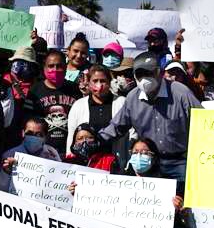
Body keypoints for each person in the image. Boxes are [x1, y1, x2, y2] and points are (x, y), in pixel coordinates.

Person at [100, 51, 201, 191]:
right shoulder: (133, 98)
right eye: (140, 74)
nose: (144, 78)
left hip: (179, 162)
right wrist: (97, 139)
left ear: (160, 72)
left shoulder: (181, 93)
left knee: (181, 199)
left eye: (149, 73)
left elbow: (203, 123)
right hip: (148, 161)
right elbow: (117, 126)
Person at [28, 50, 81, 158]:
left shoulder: (75, 89)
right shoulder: (35, 90)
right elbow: (28, 120)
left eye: (59, 66)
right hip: (41, 151)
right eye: (51, 66)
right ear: (44, 68)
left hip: (69, 150)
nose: (55, 70)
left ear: (65, 67)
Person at [65, 64, 124, 155]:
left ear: (109, 82)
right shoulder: (78, 105)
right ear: (89, 83)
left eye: (103, 81)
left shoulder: (122, 103)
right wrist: (70, 157)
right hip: (87, 160)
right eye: (95, 81)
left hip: (116, 157)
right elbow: (72, 135)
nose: (99, 85)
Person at [0, 117, 61, 193]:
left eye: (38, 134)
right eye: (29, 133)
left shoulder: (52, 154)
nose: (33, 137)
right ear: (23, 133)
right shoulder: (10, 155)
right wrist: (7, 172)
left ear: (45, 137)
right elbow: (2, 189)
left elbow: (58, 182)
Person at [2, 45, 39, 143]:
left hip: (22, 138)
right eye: (19, 61)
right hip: (1, 134)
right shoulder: (2, 81)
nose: (23, 66)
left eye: (27, 63)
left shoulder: (35, 87)